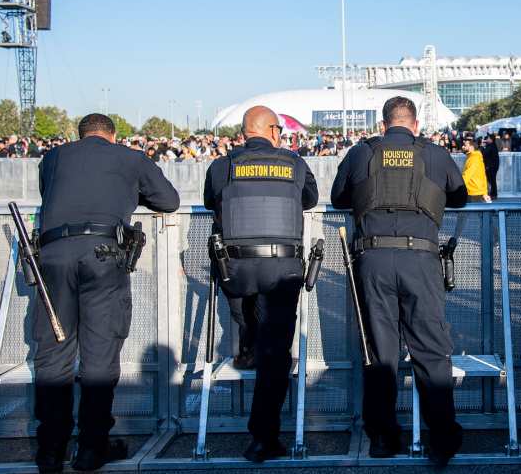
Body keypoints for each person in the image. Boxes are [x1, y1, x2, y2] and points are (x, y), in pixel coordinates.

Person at [33, 114, 180, 473]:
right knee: (99, 356)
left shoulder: (53, 157)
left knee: (54, 354)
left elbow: (49, 195)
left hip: (52, 256)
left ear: (78, 135)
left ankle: (50, 451)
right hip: (103, 256)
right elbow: (169, 201)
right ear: (112, 136)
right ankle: (91, 449)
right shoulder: (129, 158)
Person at [331, 96, 467, 465]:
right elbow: (460, 197)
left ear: (382, 125)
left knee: (380, 352)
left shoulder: (363, 153)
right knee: (431, 351)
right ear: (415, 125)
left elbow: (338, 196)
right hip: (420, 259)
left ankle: (383, 439)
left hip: (372, 258)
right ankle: (441, 440)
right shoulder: (434, 154)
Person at [203, 105, 318, 462]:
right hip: (281, 269)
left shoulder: (222, 166)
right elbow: (310, 199)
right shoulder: (294, 164)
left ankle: (247, 348)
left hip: (235, 270)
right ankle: (262, 437)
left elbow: (212, 201)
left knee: (249, 327)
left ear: (242, 134)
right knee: (276, 353)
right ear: (273, 131)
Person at [462, 134, 491, 202]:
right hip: (475, 192)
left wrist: (456, 187)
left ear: (471, 147)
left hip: (473, 193)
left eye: (465, 145)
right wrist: (485, 193)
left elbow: (466, 176)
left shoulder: (474, 158)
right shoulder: (474, 157)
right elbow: (483, 176)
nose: (463, 147)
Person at [482, 135, 500, 199]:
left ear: (491, 140)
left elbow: (484, 153)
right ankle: (492, 193)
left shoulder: (491, 146)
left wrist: (482, 147)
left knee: (492, 181)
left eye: (488, 138)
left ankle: (493, 194)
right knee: (491, 181)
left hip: (492, 167)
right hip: (491, 166)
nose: (487, 139)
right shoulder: (491, 145)